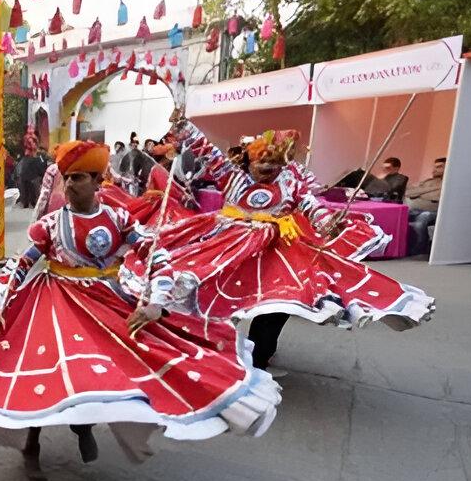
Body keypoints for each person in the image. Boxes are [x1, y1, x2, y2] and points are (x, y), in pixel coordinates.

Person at [0, 140, 280, 481]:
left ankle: (83, 427)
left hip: (108, 301)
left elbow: (159, 260)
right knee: (46, 377)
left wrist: (155, 303)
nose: (68, 186)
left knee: (102, 373)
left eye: (76, 178)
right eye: (65, 178)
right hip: (55, 301)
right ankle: (32, 442)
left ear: (97, 180)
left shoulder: (120, 220)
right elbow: (20, 265)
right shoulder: (50, 225)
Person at [124, 119, 435, 372]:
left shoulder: (290, 183)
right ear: (250, 160)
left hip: (278, 249)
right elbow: (207, 151)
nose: (267, 167)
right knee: (200, 287)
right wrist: (184, 126)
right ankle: (201, 344)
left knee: (278, 305)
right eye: (262, 160)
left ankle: (260, 356)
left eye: (274, 162)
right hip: (230, 242)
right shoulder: (231, 177)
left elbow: (313, 206)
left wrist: (329, 222)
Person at [406, 157, 444, 255]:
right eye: (434, 167)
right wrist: (434, 189)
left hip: (434, 212)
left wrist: (420, 194)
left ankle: (419, 249)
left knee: (423, 218)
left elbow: (438, 198)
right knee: (398, 216)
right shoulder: (428, 181)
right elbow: (409, 192)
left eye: (439, 167)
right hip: (415, 209)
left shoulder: (449, 183)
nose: (434, 170)